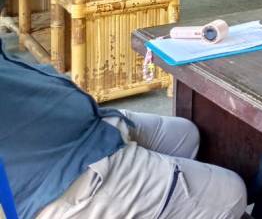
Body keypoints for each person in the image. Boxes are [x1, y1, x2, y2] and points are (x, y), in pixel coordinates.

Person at [0, 44, 246, 219]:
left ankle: (174, 200)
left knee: (186, 134)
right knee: (232, 192)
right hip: (59, 175)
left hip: (83, 125)